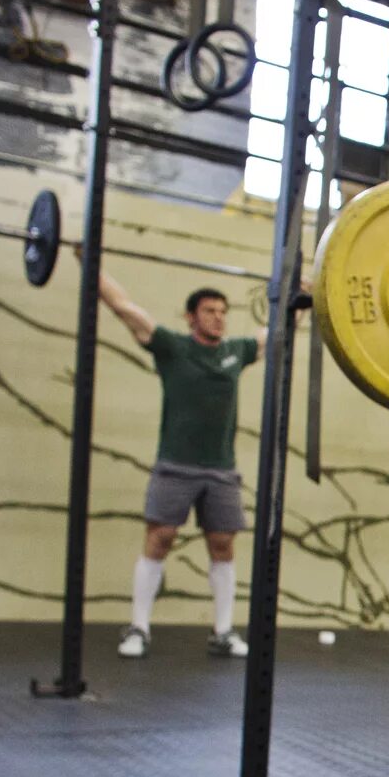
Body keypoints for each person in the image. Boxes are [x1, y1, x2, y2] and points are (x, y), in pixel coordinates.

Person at [98, 274, 259, 660]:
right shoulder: (172, 348)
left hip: (221, 468)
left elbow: (281, 331)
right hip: (175, 464)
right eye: (209, 311)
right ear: (191, 317)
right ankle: (139, 628)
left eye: (223, 312)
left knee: (223, 545)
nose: (219, 318)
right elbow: (125, 310)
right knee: (160, 538)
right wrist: (90, 261)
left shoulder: (236, 351)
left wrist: (305, 293)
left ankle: (222, 633)